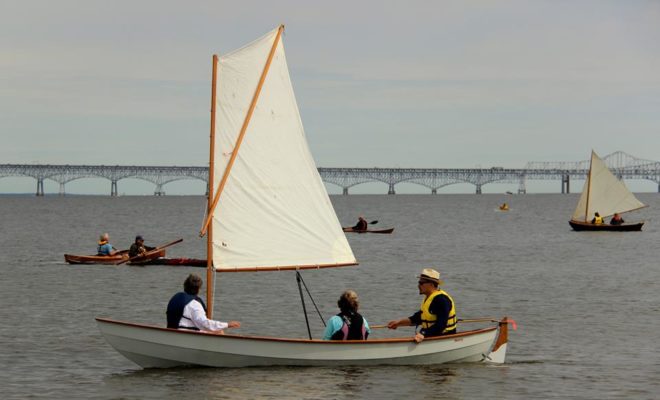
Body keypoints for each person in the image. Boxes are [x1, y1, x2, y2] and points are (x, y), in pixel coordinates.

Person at [387, 268, 457, 343]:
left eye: (421, 283)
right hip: (432, 336)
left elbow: (441, 324)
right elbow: (418, 318)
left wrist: (423, 333)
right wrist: (398, 323)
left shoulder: (441, 300)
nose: (418, 285)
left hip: (444, 337)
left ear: (431, 284)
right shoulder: (429, 297)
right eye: (419, 282)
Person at [166, 273, 240, 333]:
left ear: (185, 286)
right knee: (220, 332)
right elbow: (204, 324)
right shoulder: (194, 304)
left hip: (172, 332)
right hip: (186, 335)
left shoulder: (175, 297)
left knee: (216, 330)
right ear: (198, 289)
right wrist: (227, 325)